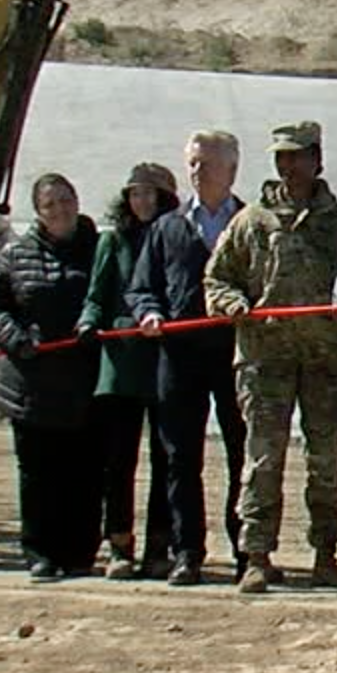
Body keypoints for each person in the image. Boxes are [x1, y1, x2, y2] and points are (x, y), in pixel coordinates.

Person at [205, 120, 337, 593]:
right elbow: (216, 279)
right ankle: (256, 554)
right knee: (263, 458)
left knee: (325, 460)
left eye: (297, 156)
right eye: (281, 158)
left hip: (325, 359)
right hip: (264, 358)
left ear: (317, 159)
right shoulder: (251, 220)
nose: (288, 166)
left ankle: (325, 553)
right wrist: (234, 305)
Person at [128, 130, 247, 586]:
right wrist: (150, 312)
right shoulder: (167, 226)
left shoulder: (248, 223)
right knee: (179, 457)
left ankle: (245, 550)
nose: (198, 171)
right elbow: (142, 287)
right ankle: (187, 552)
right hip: (178, 356)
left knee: (242, 453)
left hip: (235, 354)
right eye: (194, 162)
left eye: (208, 163)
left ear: (231, 170)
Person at [0, 174, 102, 581]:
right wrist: (15, 338)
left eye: (66, 200)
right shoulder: (16, 254)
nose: (60, 209)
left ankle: (81, 552)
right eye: (50, 205)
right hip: (31, 384)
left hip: (85, 382)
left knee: (85, 471)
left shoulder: (99, 250)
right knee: (39, 473)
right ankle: (40, 553)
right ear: (39, 213)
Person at [78, 162, 179, 581]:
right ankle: (118, 543)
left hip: (164, 358)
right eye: (134, 193)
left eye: (149, 193)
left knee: (165, 458)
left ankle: (160, 545)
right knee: (118, 460)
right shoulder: (113, 240)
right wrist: (88, 321)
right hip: (120, 361)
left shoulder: (175, 237)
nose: (141, 201)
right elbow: (97, 293)